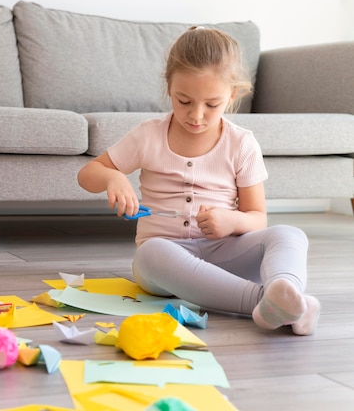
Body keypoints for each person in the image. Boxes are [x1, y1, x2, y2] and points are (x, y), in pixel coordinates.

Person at [77, 27, 320, 336]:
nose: (196, 115)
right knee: (151, 254)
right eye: (184, 101)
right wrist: (113, 176)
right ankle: (267, 303)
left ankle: (286, 290)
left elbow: (258, 219)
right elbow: (87, 174)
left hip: (226, 253)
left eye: (212, 104)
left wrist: (231, 221)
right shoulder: (147, 136)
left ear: (232, 96)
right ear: (169, 88)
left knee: (290, 234)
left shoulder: (241, 143)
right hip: (166, 264)